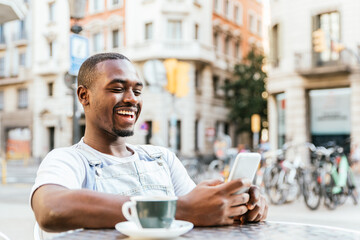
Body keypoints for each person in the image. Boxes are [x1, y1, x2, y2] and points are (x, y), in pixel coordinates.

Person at [30, 53, 268, 232]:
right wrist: (175, 210)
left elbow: (198, 214)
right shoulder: (68, 159)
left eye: (137, 91)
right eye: (117, 88)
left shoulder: (161, 158)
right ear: (84, 96)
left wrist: (235, 207)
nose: (131, 99)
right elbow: (51, 208)